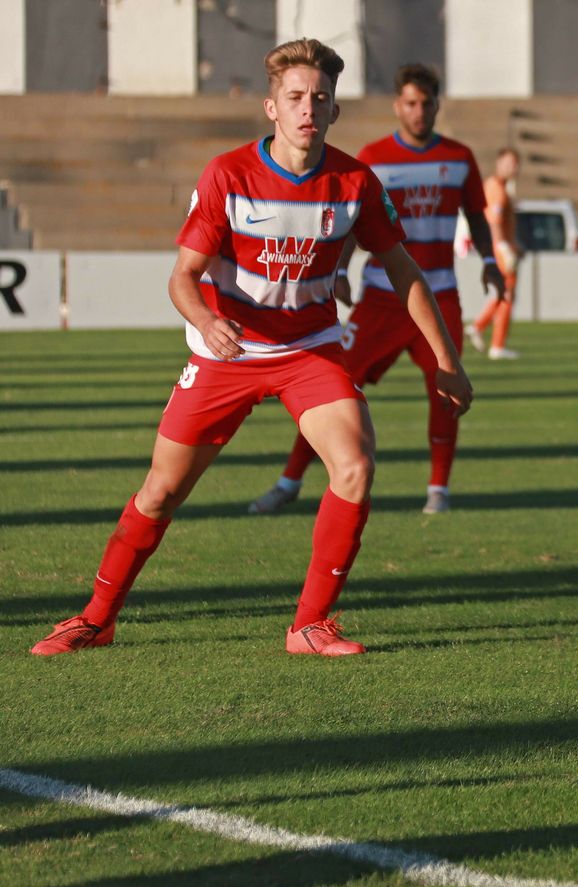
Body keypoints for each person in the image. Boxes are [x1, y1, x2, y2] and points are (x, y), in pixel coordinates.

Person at [29, 38, 472, 658]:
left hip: (310, 350)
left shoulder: (355, 182)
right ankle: (96, 619)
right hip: (227, 354)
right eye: (295, 97)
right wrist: (207, 322)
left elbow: (405, 273)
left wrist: (448, 362)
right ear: (272, 107)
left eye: (319, 97)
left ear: (335, 109)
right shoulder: (228, 175)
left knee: (354, 467)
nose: (307, 108)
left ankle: (309, 625)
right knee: (161, 491)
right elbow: (182, 278)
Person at [249, 63, 503, 517]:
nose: (419, 111)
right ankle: (290, 481)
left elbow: (478, 218)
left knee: (447, 394)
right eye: (411, 103)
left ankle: (438, 491)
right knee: (331, 391)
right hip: (380, 299)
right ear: (397, 106)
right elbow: (352, 221)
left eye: (426, 103)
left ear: (437, 105)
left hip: (439, 297)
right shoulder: (375, 157)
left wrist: (489, 262)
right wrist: (341, 269)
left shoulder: (460, 158)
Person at [465, 148, 521, 360]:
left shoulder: (499, 186)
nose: (513, 168)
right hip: (500, 248)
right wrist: (504, 247)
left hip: (501, 245)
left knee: (504, 293)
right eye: (509, 163)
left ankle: (479, 327)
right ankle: (496, 344)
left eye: (515, 164)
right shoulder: (496, 188)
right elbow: (494, 221)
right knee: (506, 294)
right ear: (499, 163)